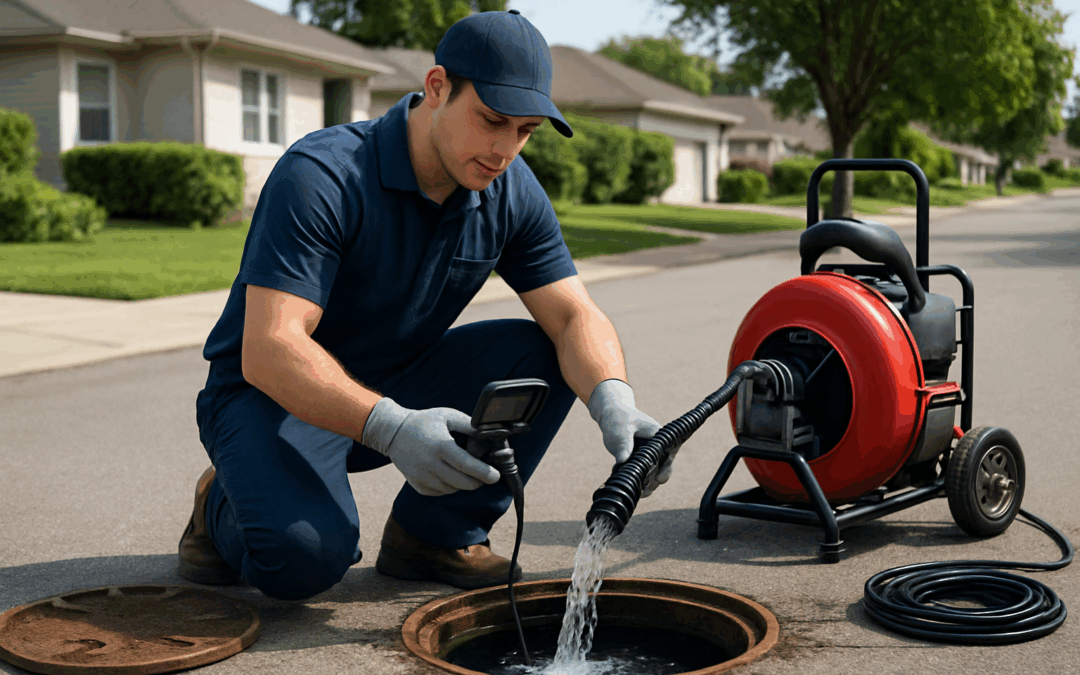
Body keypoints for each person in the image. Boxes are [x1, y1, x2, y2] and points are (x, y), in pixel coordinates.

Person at [180, 9, 679, 602]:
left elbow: (574, 315)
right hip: (269, 399)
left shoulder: (509, 189)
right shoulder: (324, 175)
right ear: (437, 87)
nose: (505, 150)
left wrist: (613, 399)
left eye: (524, 131)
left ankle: (435, 535)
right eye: (492, 120)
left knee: (546, 347)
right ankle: (221, 500)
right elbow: (271, 347)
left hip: (399, 382)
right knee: (303, 560)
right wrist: (390, 427)